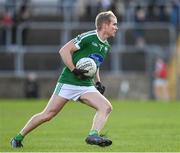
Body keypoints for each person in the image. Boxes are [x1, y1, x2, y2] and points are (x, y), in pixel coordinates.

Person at [10, 10, 118, 147]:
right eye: (114, 24)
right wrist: (74, 69)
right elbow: (64, 50)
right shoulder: (88, 37)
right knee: (48, 114)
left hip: (85, 85)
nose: (116, 27)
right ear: (104, 25)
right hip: (69, 81)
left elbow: (95, 64)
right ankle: (17, 138)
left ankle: (93, 135)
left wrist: (98, 81)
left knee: (106, 107)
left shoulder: (106, 45)